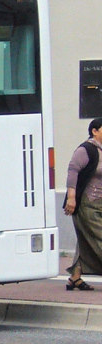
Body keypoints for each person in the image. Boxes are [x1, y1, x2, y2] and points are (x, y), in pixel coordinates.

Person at [63, 117, 102, 291]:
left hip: (99, 202)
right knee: (98, 237)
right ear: (95, 131)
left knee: (85, 240)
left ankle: (75, 277)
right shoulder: (86, 149)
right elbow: (73, 170)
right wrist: (71, 198)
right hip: (86, 203)